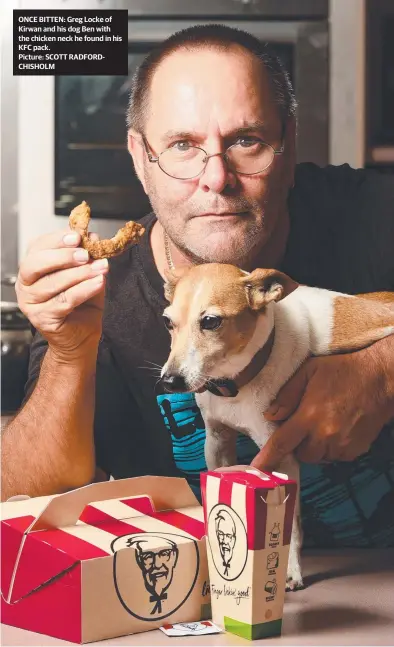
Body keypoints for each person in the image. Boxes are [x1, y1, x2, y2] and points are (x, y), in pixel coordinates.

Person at [2, 25, 394, 549]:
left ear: (289, 144)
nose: (216, 178)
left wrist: (381, 368)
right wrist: (69, 354)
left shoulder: (371, 215)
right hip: (199, 602)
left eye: (246, 141)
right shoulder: (100, 295)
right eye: (183, 145)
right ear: (142, 158)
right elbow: (23, 507)